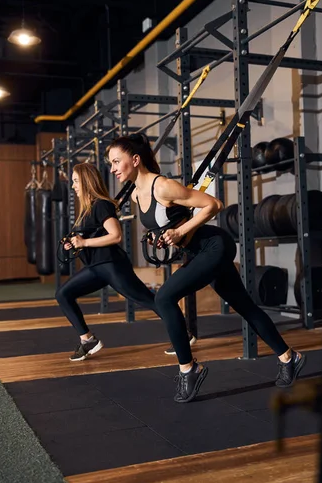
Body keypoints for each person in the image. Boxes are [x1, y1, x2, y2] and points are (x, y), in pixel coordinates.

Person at [106, 133, 307, 404]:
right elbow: (167, 223)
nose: (113, 168)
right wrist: (161, 236)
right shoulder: (136, 195)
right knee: (245, 306)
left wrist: (179, 232)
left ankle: (189, 369)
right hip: (197, 252)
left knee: (164, 297)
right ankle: (289, 357)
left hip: (214, 245)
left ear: (135, 159)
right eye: (111, 163)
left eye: (117, 161)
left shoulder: (162, 186)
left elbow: (213, 205)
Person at [56, 162, 173, 361]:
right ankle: (88, 340)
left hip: (111, 265)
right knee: (63, 294)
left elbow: (115, 235)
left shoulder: (101, 205)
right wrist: (75, 243)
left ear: (86, 182)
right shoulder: (87, 208)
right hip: (95, 267)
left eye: (76, 181)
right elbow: (89, 236)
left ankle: (183, 333)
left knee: (146, 299)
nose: (73, 185)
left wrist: (84, 241)